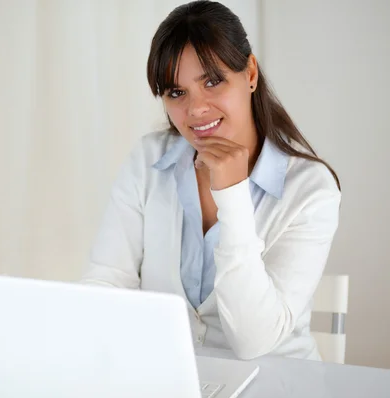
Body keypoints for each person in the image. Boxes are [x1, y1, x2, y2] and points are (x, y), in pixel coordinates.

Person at [81, 0, 341, 361]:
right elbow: (106, 280)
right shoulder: (148, 160)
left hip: (278, 386)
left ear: (250, 73)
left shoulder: (311, 190)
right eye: (177, 92)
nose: (195, 109)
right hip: (173, 381)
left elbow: (254, 342)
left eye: (213, 81)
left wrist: (233, 195)